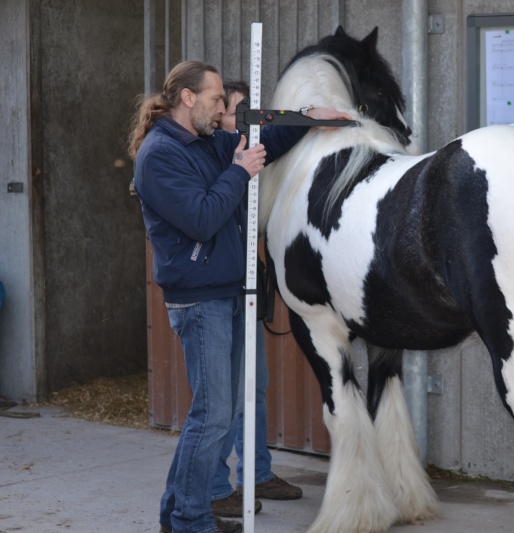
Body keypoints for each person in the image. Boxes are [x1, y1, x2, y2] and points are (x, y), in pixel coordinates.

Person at [128, 60, 349, 533]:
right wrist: (239, 172)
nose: (221, 110)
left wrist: (312, 116)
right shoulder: (160, 155)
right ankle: (190, 521)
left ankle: (178, 513)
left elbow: (269, 141)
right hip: (199, 300)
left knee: (216, 415)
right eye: (213, 100)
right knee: (210, 418)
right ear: (187, 99)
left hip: (227, 293)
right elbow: (202, 219)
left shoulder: (205, 141)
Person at [208, 80, 302, 519]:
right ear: (218, 118)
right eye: (239, 114)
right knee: (222, 397)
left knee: (255, 387)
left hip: (245, 287)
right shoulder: (213, 156)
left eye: (254, 115)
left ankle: (257, 472)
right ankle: (212, 486)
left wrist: (312, 119)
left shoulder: (248, 152)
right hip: (216, 292)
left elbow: (279, 136)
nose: (251, 125)